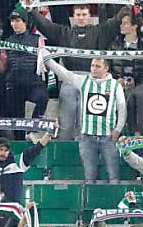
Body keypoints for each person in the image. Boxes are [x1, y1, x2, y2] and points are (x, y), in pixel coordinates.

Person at [42, 55, 126, 183]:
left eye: (98, 66)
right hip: (87, 138)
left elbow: (122, 109)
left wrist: (118, 129)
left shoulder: (115, 85)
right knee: (89, 177)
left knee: (113, 176)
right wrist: (46, 57)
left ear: (106, 68)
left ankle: (115, 202)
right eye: (92, 66)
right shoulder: (83, 81)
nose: (94, 69)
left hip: (108, 138)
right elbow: (63, 72)